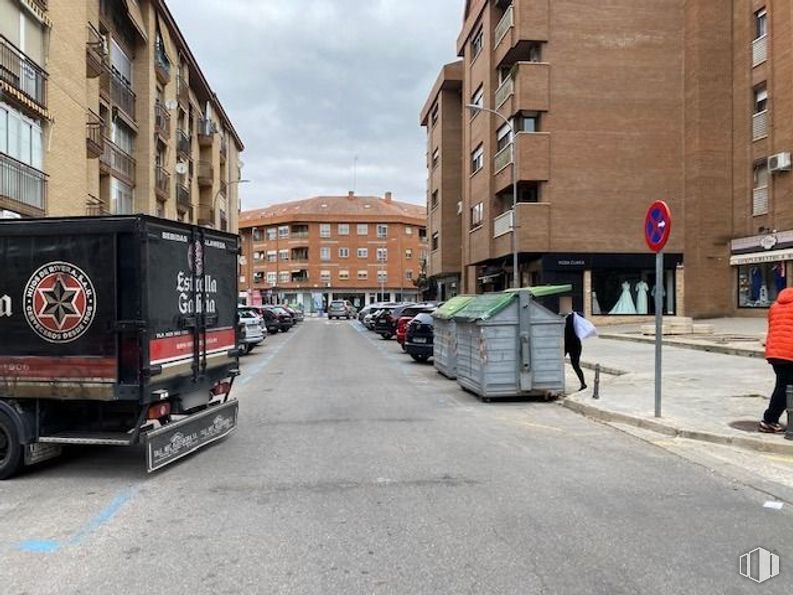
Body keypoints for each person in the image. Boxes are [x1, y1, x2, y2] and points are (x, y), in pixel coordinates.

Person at [760, 287, 793, 433]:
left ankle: (770, 420)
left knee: (783, 387)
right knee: (786, 389)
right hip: (789, 353)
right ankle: (769, 420)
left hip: (775, 352)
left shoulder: (775, 306)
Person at [560, 297, 587, 391]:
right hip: (565, 344)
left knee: (575, 364)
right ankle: (558, 383)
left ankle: (583, 384)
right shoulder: (560, 317)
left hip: (575, 344)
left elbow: (582, 318)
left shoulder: (576, 316)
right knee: (558, 363)